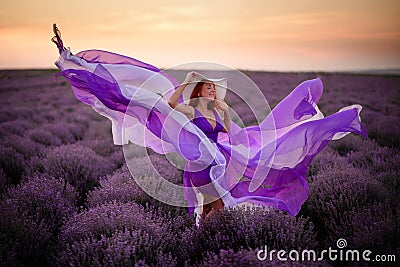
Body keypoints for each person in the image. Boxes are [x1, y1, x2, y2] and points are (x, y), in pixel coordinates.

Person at [51, 24, 368, 226]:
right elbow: (168, 107)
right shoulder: (188, 108)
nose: (214, 89)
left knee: (218, 204)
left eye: (214, 87)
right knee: (207, 205)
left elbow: (237, 136)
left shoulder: (224, 110)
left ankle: (211, 241)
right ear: (200, 90)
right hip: (198, 162)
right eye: (208, 87)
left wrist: (250, 149)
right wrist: (187, 81)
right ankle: (205, 243)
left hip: (220, 160)